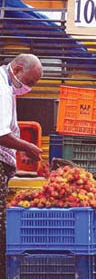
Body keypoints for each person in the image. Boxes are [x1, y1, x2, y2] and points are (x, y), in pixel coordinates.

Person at [0, 54, 43, 273]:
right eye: (30, 82)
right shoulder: (2, 89)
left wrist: (21, 150)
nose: (30, 88)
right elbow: (1, 134)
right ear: (16, 69)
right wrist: (27, 147)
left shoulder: (7, 86)